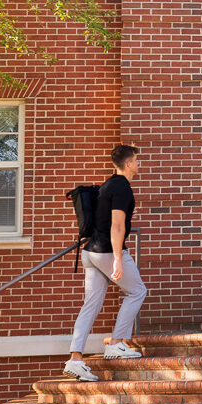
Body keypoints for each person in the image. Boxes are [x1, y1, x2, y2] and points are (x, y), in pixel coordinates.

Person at [63, 145, 147, 381]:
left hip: (89, 252)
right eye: (137, 160)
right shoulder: (122, 188)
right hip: (107, 252)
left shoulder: (107, 184)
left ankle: (75, 359)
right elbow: (117, 226)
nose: (139, 164)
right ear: (128, 164)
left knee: (91, 304)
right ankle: (117, 342)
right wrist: (118, 260)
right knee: (137, 291)